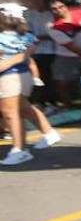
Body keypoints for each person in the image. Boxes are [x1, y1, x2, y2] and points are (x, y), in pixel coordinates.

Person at [0, 9, 60, 166]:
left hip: (8, 77)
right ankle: (48, 133)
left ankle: (19, 150)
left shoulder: (5, 37)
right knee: (23, 108)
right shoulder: (26, 36)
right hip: (22, 75)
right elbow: (29, 52)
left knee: (10, 114)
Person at [47, 0, 81, 106]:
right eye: (54, 9)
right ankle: (67, 105)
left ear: (66, 6)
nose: (58, 10)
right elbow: (71, 46)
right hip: (65, 55)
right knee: (62, 83)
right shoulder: (52, 26)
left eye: (61, 7)